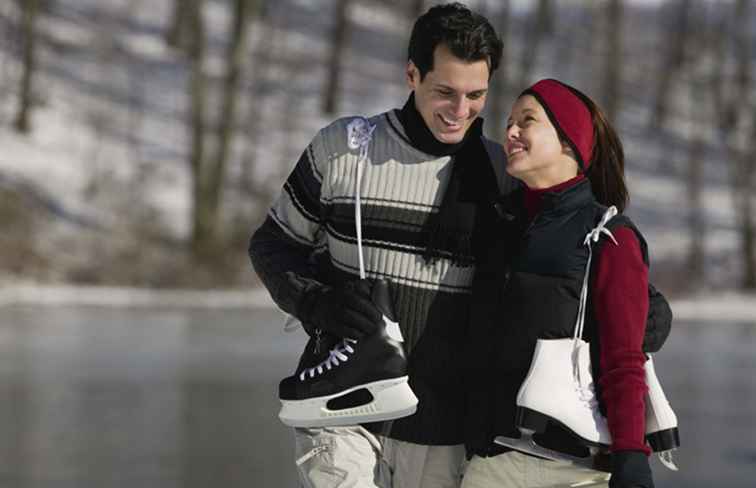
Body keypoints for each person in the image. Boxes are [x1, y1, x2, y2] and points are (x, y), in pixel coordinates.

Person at [248, 4, 513, 487]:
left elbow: (559, 272)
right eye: (445, 92)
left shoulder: (502, 179)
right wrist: (316, 302)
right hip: (342, 411)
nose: (461, 111)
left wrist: (636, 308)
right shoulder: (345, 150)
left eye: (476, 95)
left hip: (447, 430)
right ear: (412, 74)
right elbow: (271, 245)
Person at [462, 78, 660, 488]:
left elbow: (623, 359)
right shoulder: (501, 227)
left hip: (572, 472)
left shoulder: (608, 235)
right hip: (491, 463)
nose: (511, 131)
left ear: (569, 141)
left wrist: (630, 455)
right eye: (510, 121)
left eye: (527, 121)